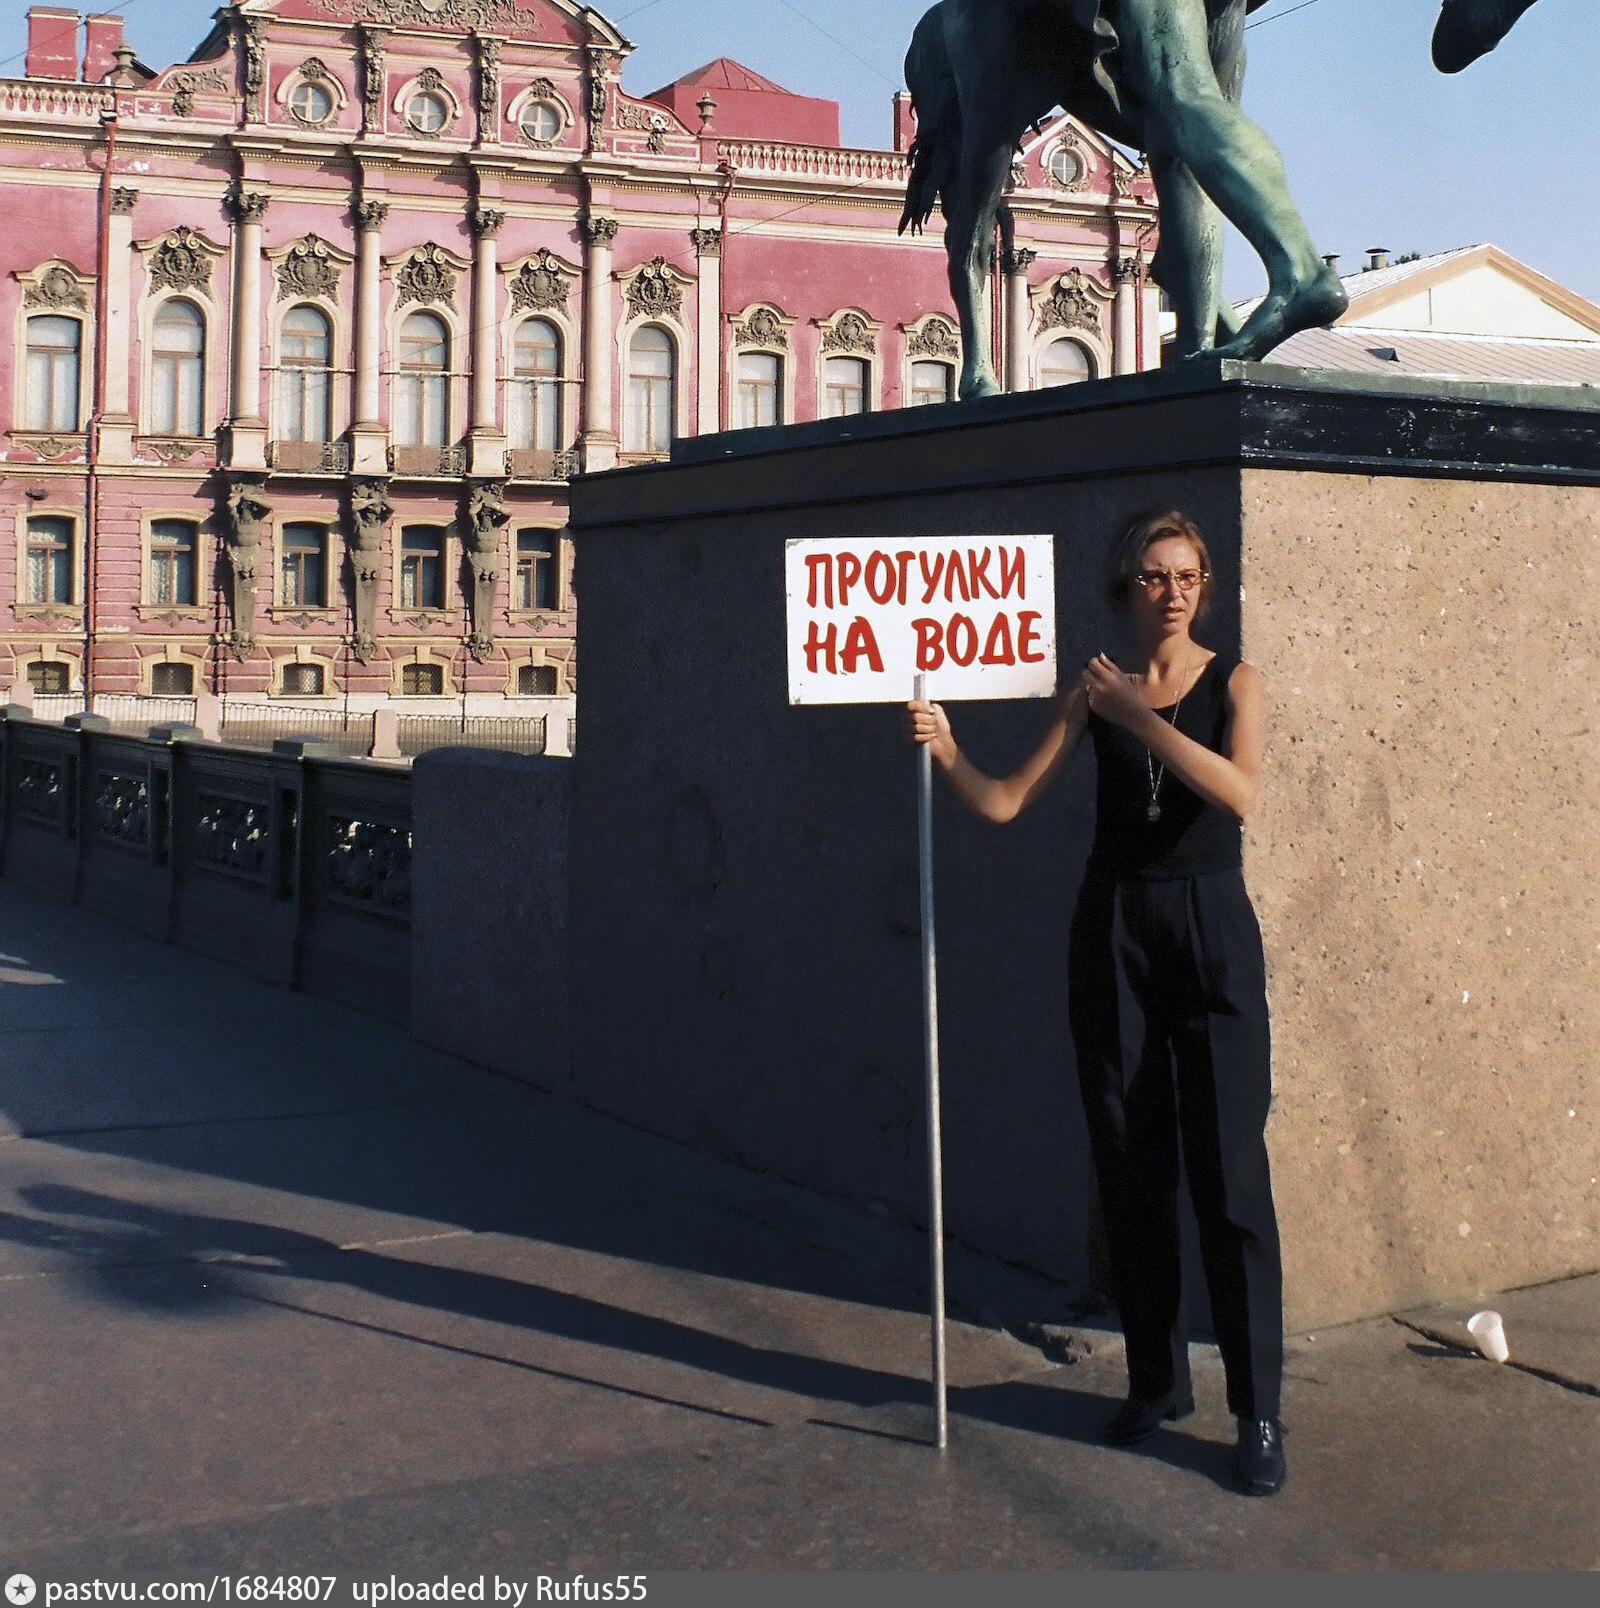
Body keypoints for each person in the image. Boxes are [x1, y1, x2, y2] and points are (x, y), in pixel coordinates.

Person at [907, 510, 1286, 1496]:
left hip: (1208, 924)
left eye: (1187, 576)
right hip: (1114, 926)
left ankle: (1258, 1412)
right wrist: (945, 749)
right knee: (1130, 1163)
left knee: (1230, 1176)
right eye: (1155, 576)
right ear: (1127, 587)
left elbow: (1240, 794)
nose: (1173, 592)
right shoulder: (1093, 688)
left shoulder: (1234, 682)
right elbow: (1005, 800)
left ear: (1205, 586)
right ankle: (1156, 1381)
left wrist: (1140, 720)